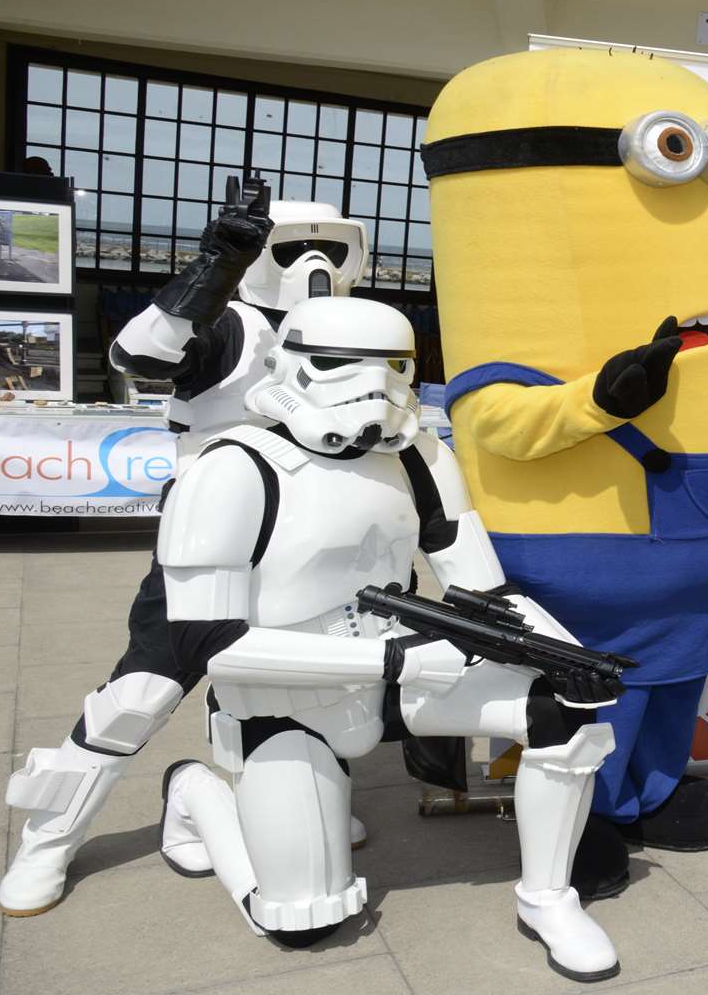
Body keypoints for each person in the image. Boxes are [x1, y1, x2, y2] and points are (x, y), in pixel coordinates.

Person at [153, 297, 621, 980]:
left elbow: (484, 591)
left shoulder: (421, 457)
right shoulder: (228, 471)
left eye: (393, 367)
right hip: (286, 696)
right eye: (344, 365)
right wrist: (392, 658)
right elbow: (209, 646)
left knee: (563, 710)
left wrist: (560, 653)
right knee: (302, 923)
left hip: (401, 674)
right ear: (289, 365)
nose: (375, 390)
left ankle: (548, 897)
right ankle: (195, 791)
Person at [0, 190, 381, 918]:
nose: (313, 264)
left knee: (313, 685)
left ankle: (289, 801)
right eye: (297, 246)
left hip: (317, 541)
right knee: (139, 693)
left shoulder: (355, 329)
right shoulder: (227, 321)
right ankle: (49, 837)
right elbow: (138, 355)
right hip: (212, 537)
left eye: (332, 250)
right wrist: (213, 271)